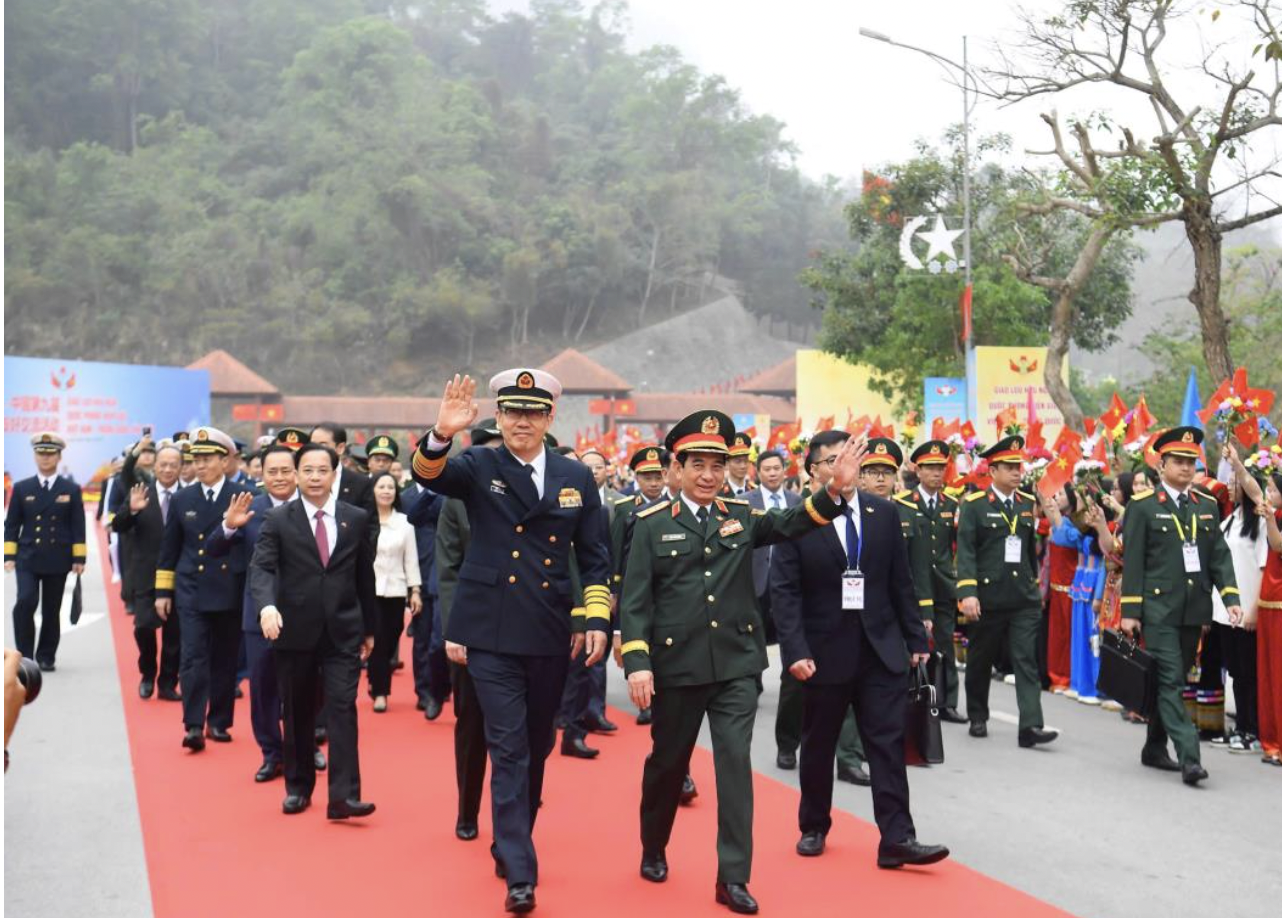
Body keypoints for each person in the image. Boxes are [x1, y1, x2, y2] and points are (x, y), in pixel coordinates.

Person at [619, 411, 863, 915]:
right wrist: (638, 663)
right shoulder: (649, 525)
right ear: (676, 469)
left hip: (735, 666)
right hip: (676, 667)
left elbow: (795, 521)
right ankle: (653, 843)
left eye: (717, 465)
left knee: (734, 769)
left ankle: (732, 877)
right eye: (698, 465)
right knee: (668, 765)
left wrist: (834, 491)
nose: (709, 475)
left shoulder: (742, 514)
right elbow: (637, 601)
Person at [410, 370, 612, 915]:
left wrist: (595, 617)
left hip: (549, 630)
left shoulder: (575, 476)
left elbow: (594, 556)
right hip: (491, 630)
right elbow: (428, 477)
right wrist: (441, 433)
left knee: (538, 745)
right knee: (509, 746)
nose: (522, 421)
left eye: (533, 412)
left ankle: (510, 834)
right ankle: (521, 870)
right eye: (512, 412)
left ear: (550, 419)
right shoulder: (479, 466)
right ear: (497, 417)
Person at [770, 430, 948, 869]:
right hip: (823, 653)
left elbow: (899, 581)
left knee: (886, 744)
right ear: (813, 470)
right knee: (819, 742)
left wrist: (914, 640)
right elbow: (784, 591)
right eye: (833, 459)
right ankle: (814, 825)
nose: (845, 465)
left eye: (850, 456)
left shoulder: (883, 513)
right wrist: (794, 650)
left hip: (880, 649)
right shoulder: (799, 519)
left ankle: (897, 838)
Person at [249, 441, 379, 818]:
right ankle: (299, 786)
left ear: (334, 475)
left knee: (342, 708)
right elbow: (262, 568)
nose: (315, 477)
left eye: (323, 470)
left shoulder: (353, 518)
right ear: (296, 475)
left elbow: (363, 576)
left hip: (343, 631)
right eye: (307, 470)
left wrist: (369, 628)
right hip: (294, 630)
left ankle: (343, 796)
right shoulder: (278, 520)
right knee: (298, 711)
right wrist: (267, 607)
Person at [1119, 427, 1242, 785]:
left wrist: (1230, 598)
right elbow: (1135, 561)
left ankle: (1153, 747)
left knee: (1168, 680)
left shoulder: (1205, 505)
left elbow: (1218, 557)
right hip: (1158, 611)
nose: (1187, 468)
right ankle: (1190, 757)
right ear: (1162, 465)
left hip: (1194, 609)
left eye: (1191, 462)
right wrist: (1130, 612)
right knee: (1172, 681)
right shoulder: (1142, 507)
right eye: (1179, 462)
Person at [209, 443, 304, 782]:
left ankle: (304, 748)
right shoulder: (251, 507)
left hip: (306, 612)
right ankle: (271, 753)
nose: (279, 477)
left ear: (297, 472)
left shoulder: (313, 507)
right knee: (262, 688)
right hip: (259, 613)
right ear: (260, 475)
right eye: (272, 471)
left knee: (304, 687)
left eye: (285, 470)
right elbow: (213, 548)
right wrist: (230, 527)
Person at [956, 435, 1059, 748]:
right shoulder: (974, 506)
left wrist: (1032, 585)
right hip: (987, 597)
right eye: (1010, 467)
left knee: (1025, 659)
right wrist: (968, 592)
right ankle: (977, 714)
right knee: (980, 659)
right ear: (993, 470)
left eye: (1019, 466)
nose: (1017, 472)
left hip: (1022, 598)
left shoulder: (1027, 504)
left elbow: (1029, 550)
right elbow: (967, 552)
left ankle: (1030, 725)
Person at [155, 427, 252, 751]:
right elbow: (169, 548)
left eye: (208, 459)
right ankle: (194, 724)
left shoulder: (241, 495)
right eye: (196, 459)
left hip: (229, 588)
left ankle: (219, 721)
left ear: (224, 461)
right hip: (191, 588)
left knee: (224, 659)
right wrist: (162, 592)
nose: (200, 465)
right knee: (193, 656)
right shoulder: (183, 498)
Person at [435, 423, 503, 841]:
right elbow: (447, 572)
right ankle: (468, 808)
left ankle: (512, 810)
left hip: (523, 628)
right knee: (472, 725)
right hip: (473, 631)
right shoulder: (456, 503)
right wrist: (455, 630)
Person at [895, 440, 965, 723]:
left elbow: (950, 547)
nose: (937, 473)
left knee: (945, 644)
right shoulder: (903, 505)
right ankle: (914, 697)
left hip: (943, 586)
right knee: (915, 646)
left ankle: (947, 702)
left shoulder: (951, 504)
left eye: (941, 468)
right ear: (918, 470)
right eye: (931, 468)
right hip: (914, 588)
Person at [4, 433, 86, 671]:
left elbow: (77, 525)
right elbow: (12, 525)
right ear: (35, 456)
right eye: (41, 453)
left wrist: (78, 558)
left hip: (57, 558)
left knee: (52, 609)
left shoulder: (70, 489)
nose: (45, 458)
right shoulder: (22, 488)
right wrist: (9, 556)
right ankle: (25, 656)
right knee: (25, 601)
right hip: (28, 557)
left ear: (59, 457)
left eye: (50, 453)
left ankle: (46, 655)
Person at [112, 437, 183, 700]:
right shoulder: (142, 491)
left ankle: (167, 683)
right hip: (144, 575)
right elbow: (118, 525)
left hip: (178, 576)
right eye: (163, 465)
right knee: (143, 628)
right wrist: (131, 510)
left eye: (173, 465)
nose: (167, 470)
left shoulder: (187, 496)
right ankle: (147, 673)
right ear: (155, 467)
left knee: (175, 636)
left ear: (180, 467)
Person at [747, 449, 802, 768]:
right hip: (756, 580)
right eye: (766, 468)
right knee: (753, 636)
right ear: (758, 472)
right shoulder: (745, 500)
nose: (771, 473)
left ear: (784, 470)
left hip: (791, 586)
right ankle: (752, 681)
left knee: (790, 648)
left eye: (776, 468)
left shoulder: (797, 502)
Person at [367, 470, 422, 712]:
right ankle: (381, 692)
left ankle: (375, 676)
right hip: (370, 590)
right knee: (377, 641)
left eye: (391, 487)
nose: (387, 491)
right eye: (382, 487)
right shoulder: (363, 520)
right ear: (373, 491)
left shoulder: (404, 522)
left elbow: (411, 559)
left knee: (390, 640)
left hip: (396, 590)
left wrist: (415, 590)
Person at [402, 469, 448, 719]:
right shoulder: (415, 496)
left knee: (443, 642)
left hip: (452, 578)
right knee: (424, 641)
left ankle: (443, 688)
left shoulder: (455, 494)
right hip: (421, 576)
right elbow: (412, 517)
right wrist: (431, 489)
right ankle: (427, 693)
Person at [1251, 469, 1282, 766]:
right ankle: (1271, 741)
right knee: (1268, 674)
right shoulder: (1273, 513)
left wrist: (1271, 519)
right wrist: (1236, 464)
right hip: (1268, 603)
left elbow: (1279, 546)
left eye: (1273, 489)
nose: (1268, 494)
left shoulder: (1275, 517)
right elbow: (1251, 488)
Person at [309, 422, 375, 515]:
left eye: (322, 445)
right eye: (312, 445)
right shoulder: (301, 480)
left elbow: (371, 525)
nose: (315, 450)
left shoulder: (361, 483)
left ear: (340, 448)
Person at [721, 432, 756, 497]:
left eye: (745, 461)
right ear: (727, 463)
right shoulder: (719, 493)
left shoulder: (756, 492)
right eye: (738, 461)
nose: (743, 466)